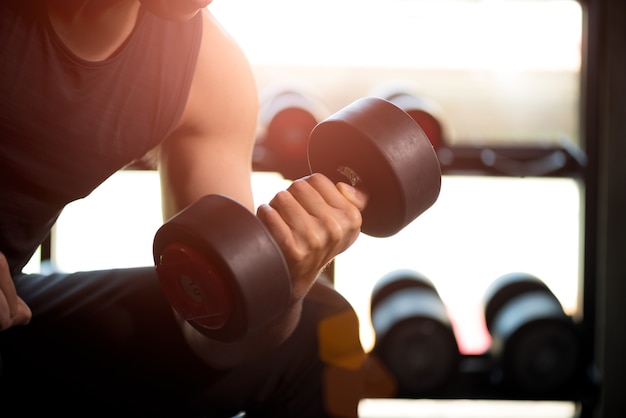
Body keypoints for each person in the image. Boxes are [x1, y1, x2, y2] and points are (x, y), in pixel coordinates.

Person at [0, 1, 387, 416]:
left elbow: (212, 335)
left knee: (317, 326)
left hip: (12, 316)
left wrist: (279, 286)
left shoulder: (206, 70)